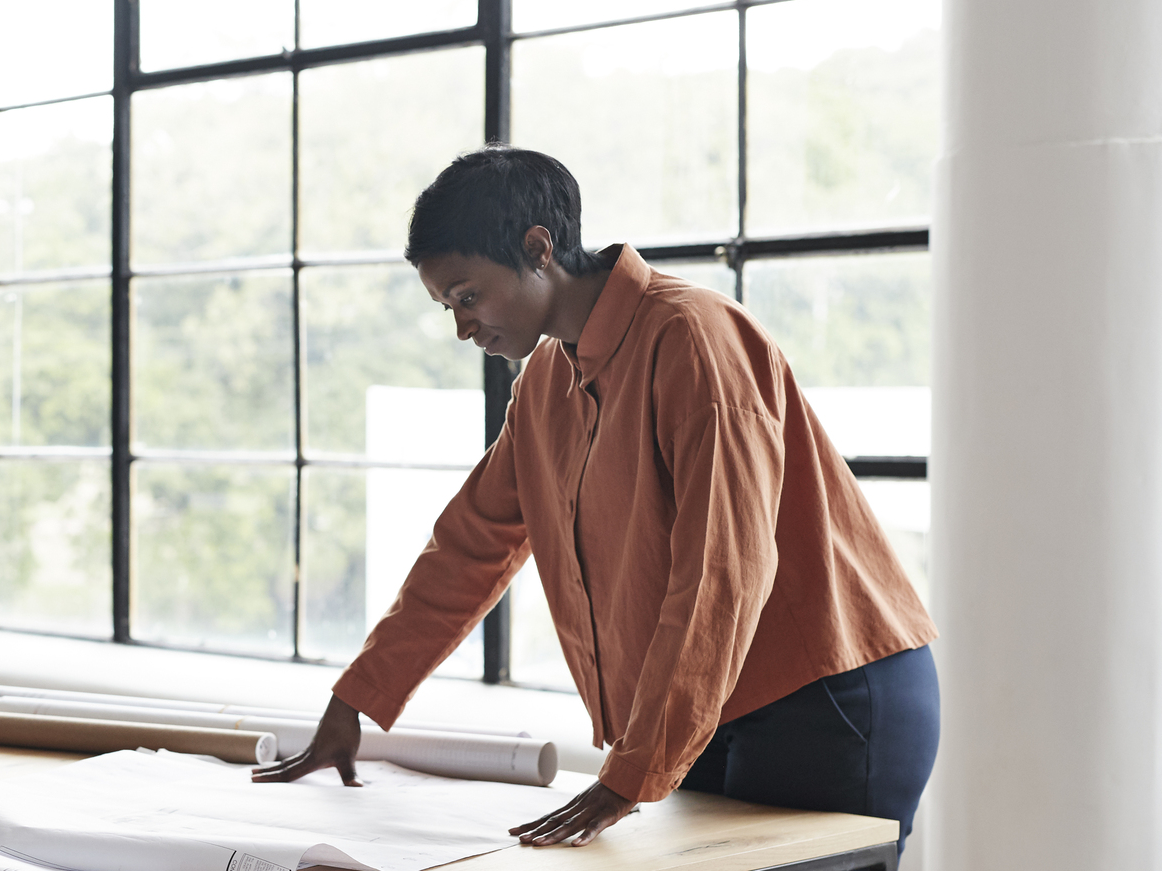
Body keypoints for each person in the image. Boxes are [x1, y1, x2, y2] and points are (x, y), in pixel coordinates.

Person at [253, 146, 939, 856]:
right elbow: (470, 546)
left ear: (538, 248)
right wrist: (355, 699)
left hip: (826, 695)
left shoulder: (695, 339)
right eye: (447, 306)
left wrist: (630, 774)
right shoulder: (547, 382)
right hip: (705, 703)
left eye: (467, 296)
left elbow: (720, 574)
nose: (462, 326)